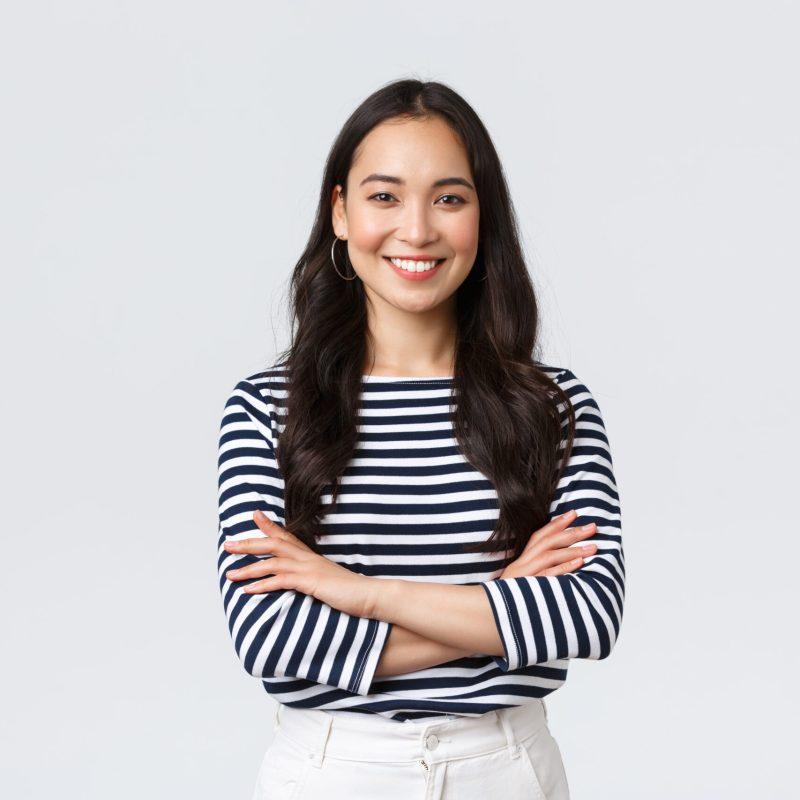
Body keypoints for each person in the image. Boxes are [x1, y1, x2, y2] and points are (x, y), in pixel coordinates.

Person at [216, 78, 624, 800]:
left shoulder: (551, 407)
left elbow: (585, 614)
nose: (416, 230)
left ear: (482, 216)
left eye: (449, 198)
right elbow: (272, 638)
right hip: (332, 774)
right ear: (340, 212)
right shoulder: (266, 409)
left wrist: (355, 593)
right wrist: (504, 597)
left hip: (506, 770)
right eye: (384, 196)